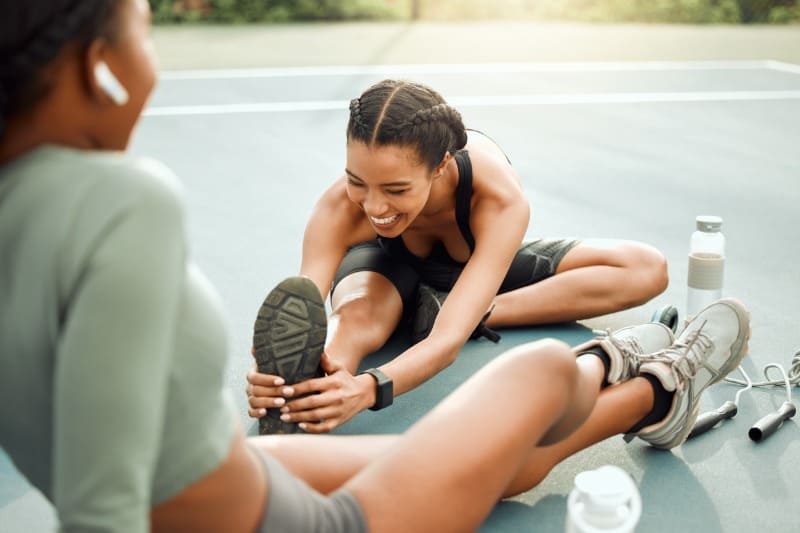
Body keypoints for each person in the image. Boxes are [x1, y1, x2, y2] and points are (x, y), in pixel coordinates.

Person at [0, 1, 750, 531]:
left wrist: (289, 375)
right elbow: (103, 513)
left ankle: (648, 390)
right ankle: (654, 383)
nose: (374, 201)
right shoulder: (125, 204)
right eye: (147, 26)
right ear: (101, 66)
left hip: (224, 472)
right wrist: (356, 373)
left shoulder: (22, 206)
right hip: (297, 516)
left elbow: (97, 464)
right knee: (543, 377)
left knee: (480, 452)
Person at [246, 78, 669, 434]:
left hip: (472, 274)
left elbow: (446, 342)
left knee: (646, 268)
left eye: (396, 189)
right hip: (382, 269)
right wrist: (290, 375)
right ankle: (308, 392)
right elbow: (304, 308)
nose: (373, 207)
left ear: (441, 165)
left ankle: (465, 309)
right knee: (354, 317)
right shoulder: (340, 207)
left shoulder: (498, 199)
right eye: (357, 181)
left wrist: (372, 388)